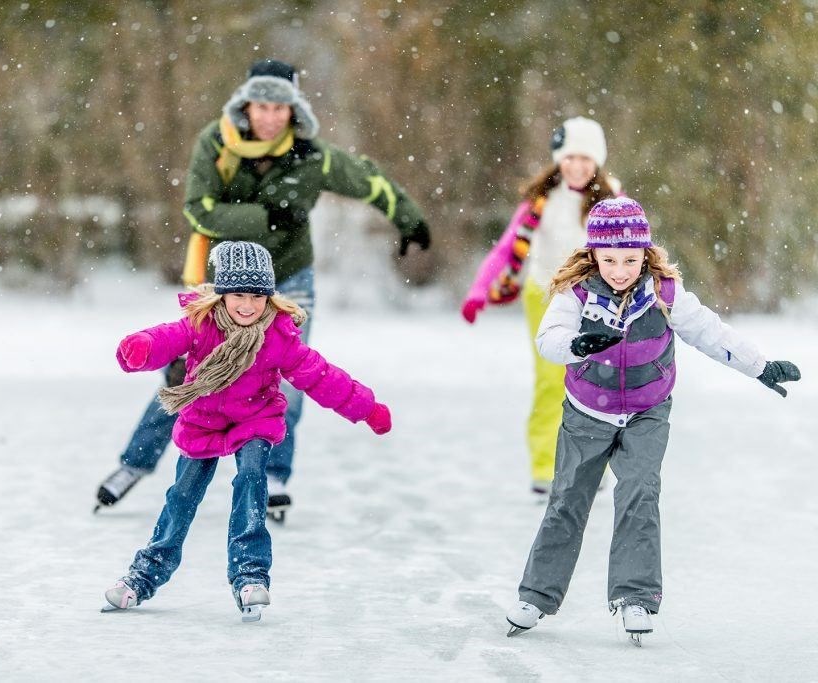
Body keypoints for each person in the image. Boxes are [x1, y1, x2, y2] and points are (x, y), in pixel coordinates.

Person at [95, 58, 430, 519]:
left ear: (293, 110)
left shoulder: (313, 156)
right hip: (223, 282)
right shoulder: (216, 143)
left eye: (280, 107)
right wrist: (266, 218)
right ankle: (134, 464)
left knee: (290, 377)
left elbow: (369, 179)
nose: (270, 116)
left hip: (289, 278)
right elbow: (199, 209)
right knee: (189, 375)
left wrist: (409, 219)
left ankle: (274, 474)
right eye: (262, 106)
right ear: (246, 105)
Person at [504, 197, 801, 644]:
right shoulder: (578, 292)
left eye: (629, 259)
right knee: (567, 500)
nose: (619, 269)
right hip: (586, 413)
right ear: (593, 256)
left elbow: (710, 332)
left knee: (640, 495)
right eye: (609, 260)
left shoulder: (664, 293)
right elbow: (549, 339)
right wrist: (579, 345)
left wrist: (760, 366)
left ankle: (635, 597)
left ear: (645, 252)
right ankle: (536, 595)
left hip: (647, 412)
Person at [103, 241, 392, 621]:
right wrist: (139, 347)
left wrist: (366, 408)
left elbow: (320, 376)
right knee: (181, 497)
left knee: (253, 480)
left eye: (257, 295)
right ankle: (145, 574)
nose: (247, 305)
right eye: (238, 294)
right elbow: (166, 338)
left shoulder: (278, 335)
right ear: (221, 295)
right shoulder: (201, 325)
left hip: (254, 419)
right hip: (203, 420)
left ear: (269, 296)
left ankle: (250, 574)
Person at [460, 117, 617, 497]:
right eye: (569, 158)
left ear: (596, 162)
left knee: (599, 382)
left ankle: (594, 465)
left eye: (585, 159)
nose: (576, 166)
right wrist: (479, 291)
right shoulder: (541, 202)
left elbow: (632, 253)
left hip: (596, 298)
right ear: (559, 160)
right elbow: (506, 248)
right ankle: (545, 466)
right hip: (544, 297)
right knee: (552, 381)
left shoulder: (611, 202)